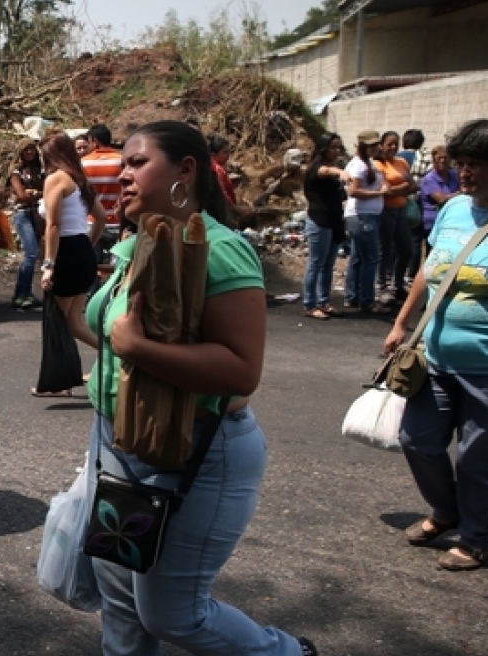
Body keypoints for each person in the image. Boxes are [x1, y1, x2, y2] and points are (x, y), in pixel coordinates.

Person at [85, 120, 318, 656]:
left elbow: (240, 371)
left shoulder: (219, 249)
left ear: (185, 171)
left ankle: (286, 652)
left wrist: (138, 350)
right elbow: (107, 331)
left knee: (173, 615)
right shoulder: (138, 244)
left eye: (137, 163)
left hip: (194, 452)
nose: (122, 174)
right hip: (119, 448)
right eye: (123, 163)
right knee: (121, 610)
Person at [383, 116, 488, 571]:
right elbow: (430, 271)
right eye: (461, 163)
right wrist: (401, 324)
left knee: (476, 457)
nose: (465, 173)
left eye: (476, 165)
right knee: (417, 439)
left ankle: (474, 537)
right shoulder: (453, 209)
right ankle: (446, 510)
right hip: (436, 357)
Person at [36, 133, 106, 373]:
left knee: (56, 322)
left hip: (65, 250)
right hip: (82, 249)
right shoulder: (79, 180)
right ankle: (113, 355)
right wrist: (87, 244)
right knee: (74, 323)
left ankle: (58, 380)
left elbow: (53, 225)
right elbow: (102, 218)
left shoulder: (55, 179)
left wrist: (48, 264)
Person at [301, 133, 349, 320]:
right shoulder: (316, 169)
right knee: (316, 263)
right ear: (323, 149)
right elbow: (323, 171)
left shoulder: (333, 169)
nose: (336, 151)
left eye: (338, 147)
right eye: (333, 147)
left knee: (328, 265)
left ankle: (324, 301)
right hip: (319, 221)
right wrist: (339, 172)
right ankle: (309, 304)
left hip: (334, 221)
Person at [342, 130, 390, 314]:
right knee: (371, 258)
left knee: (358, 257)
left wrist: (383, 187)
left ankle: (353, 296)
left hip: (367, 215)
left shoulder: (367, 163)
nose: (375, 148)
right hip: (363, 216)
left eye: (376, 144)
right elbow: (353, 191)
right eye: (371, 145)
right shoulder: (359, 166)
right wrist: (379, 193)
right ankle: (366, 300)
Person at [374, 131, 417, 299]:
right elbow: (386, 191)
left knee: (406, 249)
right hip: (385, 210)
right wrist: (403, 187)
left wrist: (398, 188)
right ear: (382, 146)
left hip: (401, 211)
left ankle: (397, 284)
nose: (393, 147)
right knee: (385, 249)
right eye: (389, 144)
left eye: (395, 144)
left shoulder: (402, 162)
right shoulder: (378, 165)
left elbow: (413, 185)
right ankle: (381, 286)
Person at [7, 138, 45, 308]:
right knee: (31, 252)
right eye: (26, 150)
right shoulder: (16, 171)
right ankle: (19, 293)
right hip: (22, 213)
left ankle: (27, 293)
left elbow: (48, 191)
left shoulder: (39, 170)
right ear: (21, 152)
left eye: (32, 149)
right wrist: (37, 194)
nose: (30, 152)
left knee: (34, 255)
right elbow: (20, 195)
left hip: (38, 214)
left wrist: (34, 193)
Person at [80, 124, 124, 261]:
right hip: (118, 222)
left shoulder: (83, 163)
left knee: (91, 267)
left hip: (92, 222)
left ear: (95, 141)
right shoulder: (122, 161)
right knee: (117, 270)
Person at [417, 145, 460, 265]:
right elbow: (441, 199)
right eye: (439, 158)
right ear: (433, 159)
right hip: (433, 221)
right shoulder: (430, 179)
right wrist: (460, 193)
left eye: (445, 158)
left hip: (452, 220)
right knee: (433, 254)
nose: (442, 161)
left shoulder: (453, 175)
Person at [208, 134, 238, 208]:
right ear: (214, 154)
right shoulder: (217, 170)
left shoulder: (212, 166)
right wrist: (234, 207)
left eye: (229, 152)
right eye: (225, 152)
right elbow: (223, 194)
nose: (228, 155)